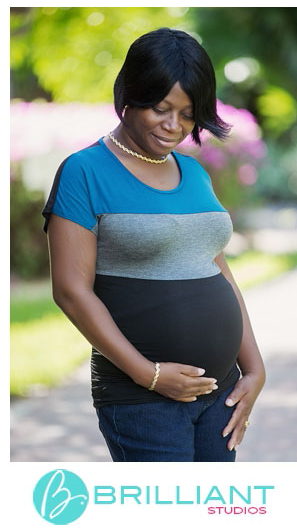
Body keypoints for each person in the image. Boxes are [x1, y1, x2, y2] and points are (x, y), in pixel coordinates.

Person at [43, 28, 265, 462]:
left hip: (220, 393)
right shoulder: (84, 171)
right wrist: (149, 375)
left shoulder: (194, 172)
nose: (173, 125)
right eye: (161, 109)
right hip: (142, 399)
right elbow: (70, 291)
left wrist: (254, 369)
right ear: (131, 94)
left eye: (188, 114)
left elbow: (218, 270)